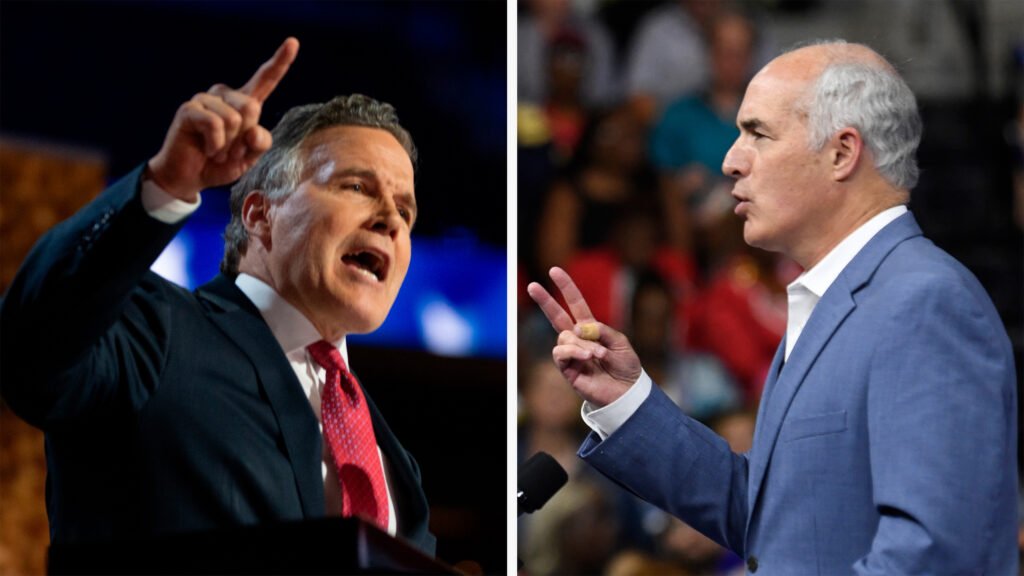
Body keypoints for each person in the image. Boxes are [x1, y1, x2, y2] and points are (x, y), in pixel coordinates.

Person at [528, 40, 1018, 573]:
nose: (730, 161)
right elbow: (771, 521)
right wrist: (627, 400)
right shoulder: (843, 297)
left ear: (841, 153)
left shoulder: (925, 302)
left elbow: (935, 557)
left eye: (757, 133)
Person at [0, 38, 435, 555]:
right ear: (259, 215)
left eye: (405, 210)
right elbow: (28, 346)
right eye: (357, 188)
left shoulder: (395, 462)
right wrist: (164, 184)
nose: (390, 220)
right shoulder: (155, 333)